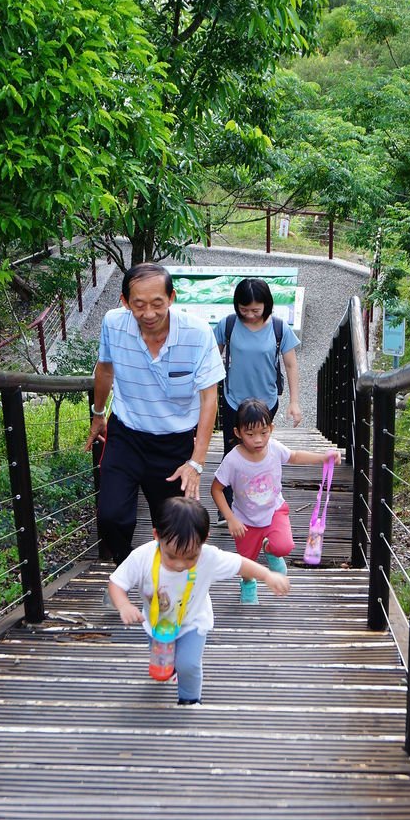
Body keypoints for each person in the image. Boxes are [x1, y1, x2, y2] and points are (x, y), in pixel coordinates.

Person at [84, 262, 225, 566]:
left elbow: (209, 398)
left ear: (172, 297)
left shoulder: (197, 333)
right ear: (124, 302)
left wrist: (196, 463)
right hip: (126, 434)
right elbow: (105, 368)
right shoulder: (113, 323)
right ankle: (124, 569)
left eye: (157, 303)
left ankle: (168, 582)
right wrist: (98, 414)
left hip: (174, 443)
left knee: (174, 526)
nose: (148, 313)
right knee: (111, 516)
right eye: (138, 305)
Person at [107, 497, 290, 705]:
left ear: (204, 541)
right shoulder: (142, 558)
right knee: (164, 667)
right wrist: (123, 604)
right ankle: (171, 669)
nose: (180, 564)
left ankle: (190, 700)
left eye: (190, 557)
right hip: (156, 624)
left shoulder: (208, 557)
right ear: (157, 536)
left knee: (189, 664)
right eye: (172, 556)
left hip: (193, 622)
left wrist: (267, 575)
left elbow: (240, 564)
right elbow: (116, 583)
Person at [211, 398, 341, 604]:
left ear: (271, 428)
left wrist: (323, 458)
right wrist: (230, 518)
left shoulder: (273, 448)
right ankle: (248, 584)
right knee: (246, 561)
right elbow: (216, 489)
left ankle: (271, 552)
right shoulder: (233, 460)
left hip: (274, 511)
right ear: (238, 433)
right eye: (250, 434)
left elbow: (295, 456)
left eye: (264, 432)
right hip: (245, 520)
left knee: (284, 546)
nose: (258, 440)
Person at [213, 277, 302, 518]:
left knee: (258, 449)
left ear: (267, 305)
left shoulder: (279, 328)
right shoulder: (228, 325)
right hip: (233, 400)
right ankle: (228, 507)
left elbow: (291, 365)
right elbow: (210, 359)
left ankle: (257, 501)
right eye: (244, 310)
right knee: (232, 450)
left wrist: (294, 402)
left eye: (255, 310)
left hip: (266, 402)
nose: (250, 315)